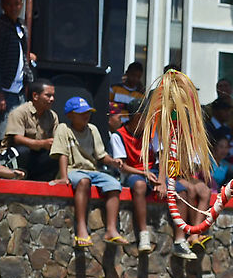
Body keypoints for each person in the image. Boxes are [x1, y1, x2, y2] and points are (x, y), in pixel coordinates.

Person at [110, 97, 197, 259]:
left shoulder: (152, 132)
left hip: (154, 171)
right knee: (140, 187)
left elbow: (162, 157)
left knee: (182, 192)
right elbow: (121, 165)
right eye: (144, 116)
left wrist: (163, 181)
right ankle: (143, 234)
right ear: (136, 117)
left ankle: (180, 240)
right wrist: (144, 173)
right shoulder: (118, 135)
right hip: (133, 172)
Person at [50, 96, 127, 247]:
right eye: (81, 113)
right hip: (73, 170)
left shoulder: (93, 129)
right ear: (70, 115)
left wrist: (113, 161)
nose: (86, 115)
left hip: (91, 170)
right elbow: (62, 154)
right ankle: (81, 229)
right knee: (84, 182)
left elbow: (101, 155)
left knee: (113, 184)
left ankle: (111, 230)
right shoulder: (63, 129)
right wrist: (64, 177)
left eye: (88, 112)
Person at [0, 0, 30, 144]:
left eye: (17, 4)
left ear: (22, 4)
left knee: (17, 134)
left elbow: (22, 54)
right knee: (1, 134)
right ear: (3, 6)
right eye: (9, 4)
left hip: (19, 90)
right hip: (3, 89)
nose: (13, 8)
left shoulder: (22, 26)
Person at [0, 78, 59, 181]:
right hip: (15, 156)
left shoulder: (52, 116)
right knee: (23, 150)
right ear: (35, 96)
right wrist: (42, 144)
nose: (52, 99)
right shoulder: (20, 112)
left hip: (37, 157)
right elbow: (17, 139)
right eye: (48, 95)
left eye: (53, 96)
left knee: (56, 156)